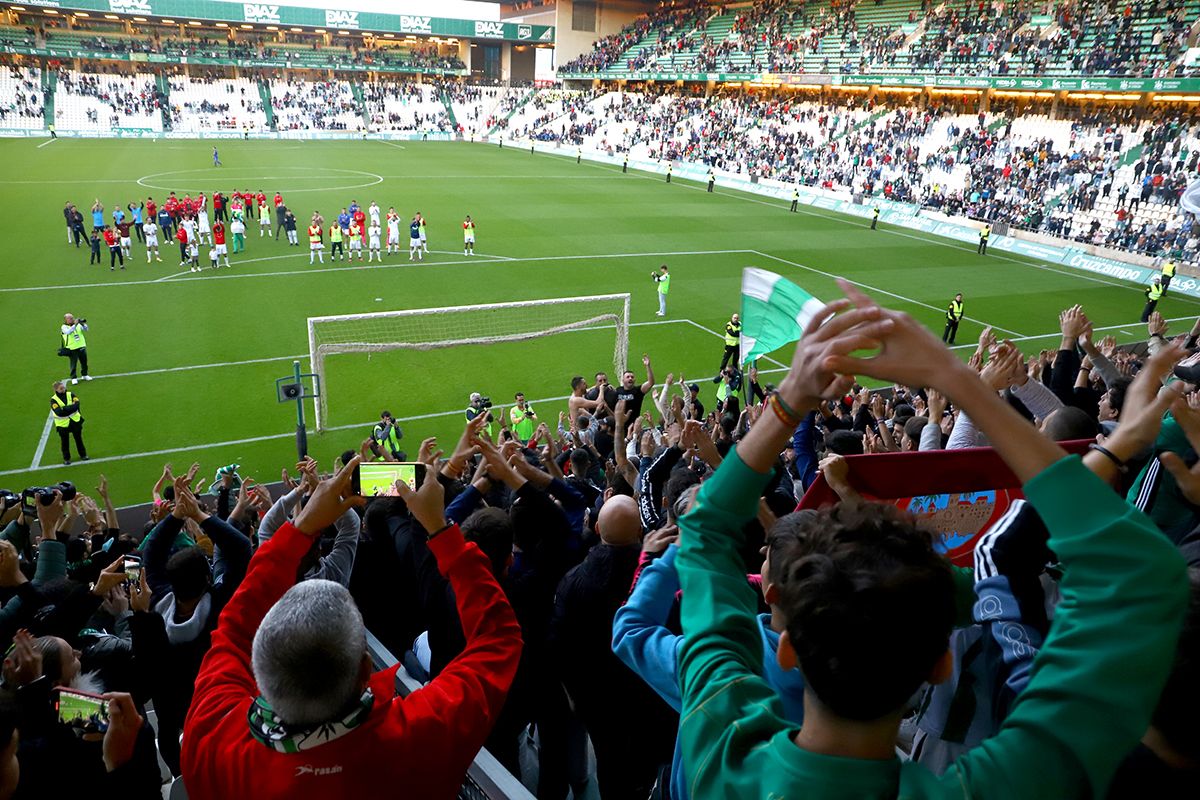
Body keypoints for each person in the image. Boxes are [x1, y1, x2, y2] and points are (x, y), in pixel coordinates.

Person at [672, 282, 1189, 800]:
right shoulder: (1010, 784)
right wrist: (960, 382)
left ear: (785, 650)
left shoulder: (720, 744)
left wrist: (792, 398)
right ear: (941, 661)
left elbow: (705, 528)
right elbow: (1140, 575)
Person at [180, 455, 523, 799]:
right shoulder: (421, 733)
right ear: (365, 668)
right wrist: (439, 526)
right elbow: (499, 638)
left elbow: (234, 628)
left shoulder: (214, 744)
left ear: (258, 671)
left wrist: (300, 529)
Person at [50, 380, 87, 464]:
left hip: (75, 421)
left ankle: (83, 455)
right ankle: (66, 459)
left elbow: (77, 405)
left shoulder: (71, 394)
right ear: (56, 390)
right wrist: (71, 407)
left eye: (63, 387)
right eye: (61, 388)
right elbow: (58, 412)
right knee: (65, 442)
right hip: (62, 425)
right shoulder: (53, 400)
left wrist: (65, 408)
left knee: (79, 439)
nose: (64, 389)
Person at [60, 313, 90, 383]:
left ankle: (85, 375)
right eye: (70, 318)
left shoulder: (78, 325)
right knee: (73, 364)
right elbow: (68, 332)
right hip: (72, 348)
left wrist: (82, 323)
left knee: (84, 362)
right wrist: (75, 325)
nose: (72, 319)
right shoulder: (64, 327)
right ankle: (73, 378)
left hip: (81, 346)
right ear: (65, 320)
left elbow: (86, 329)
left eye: (72, 318)